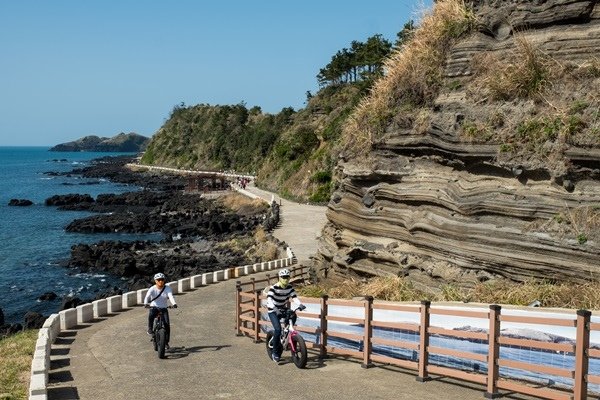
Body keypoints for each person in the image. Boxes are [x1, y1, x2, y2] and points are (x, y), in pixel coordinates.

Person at [266, 268, 305, 362]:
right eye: (283, 277)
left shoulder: (289, 287)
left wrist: (300, 304)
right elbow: (269, 300)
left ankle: (287, 332)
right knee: (278, 329)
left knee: (293, 315)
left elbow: (294, 297)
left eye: (287, 277)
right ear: (279, 277)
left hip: (282, 308)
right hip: (272, 310)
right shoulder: (274, 288)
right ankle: (275, 352)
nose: (285, 279)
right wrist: (275, 309)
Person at [144, 272, 178, 348]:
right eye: (158, 280)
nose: (160, 281)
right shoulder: (152, 289)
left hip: (164, 308)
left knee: (167, 325)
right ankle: (150, 329)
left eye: (162, 279)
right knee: (151, 316)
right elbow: (147, 297)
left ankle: (166, 342)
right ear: (155, 281)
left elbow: (171, 296)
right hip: (154, 307)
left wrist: (174, 304)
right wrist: (146, 304)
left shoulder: (167, 288)